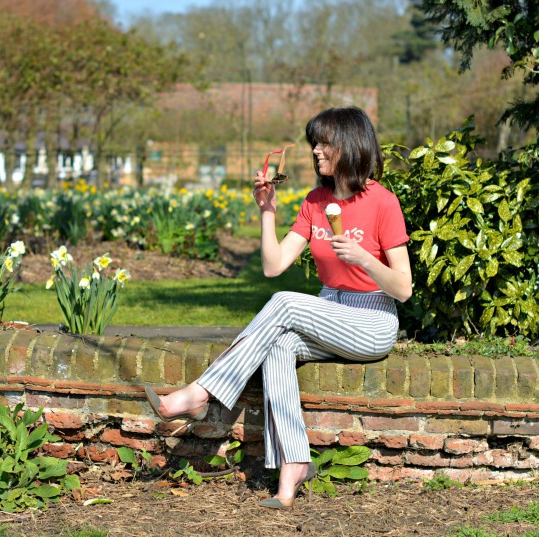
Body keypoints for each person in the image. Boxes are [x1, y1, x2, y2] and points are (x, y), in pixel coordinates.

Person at [144, 105, 412, 509]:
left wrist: (365, 259)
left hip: (371, 318)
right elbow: (274, 266)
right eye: (314, 144)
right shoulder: (315, 201)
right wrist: (267, 211)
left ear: (350, 145)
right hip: (329, 310)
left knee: (285, 303)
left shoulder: (382, 202)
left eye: (324, 143)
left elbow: (404, 289)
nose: (317, 151)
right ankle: (294, 466)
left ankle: (201, 392)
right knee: (279, 345)